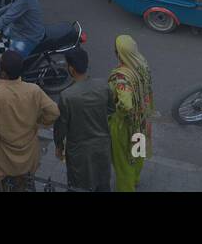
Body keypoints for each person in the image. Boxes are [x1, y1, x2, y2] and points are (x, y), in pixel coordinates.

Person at [0, 49, 59, 190]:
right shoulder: (34, 90)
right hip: (27, 159)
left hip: (0, 160)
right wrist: (38, 122)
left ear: (3, 73)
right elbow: (54, 112)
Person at [53, 47, 112, 191]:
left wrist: (59, 145)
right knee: (103, 182)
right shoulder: (103, 86)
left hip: (79, 152)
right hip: (102, 147)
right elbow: (111, 110)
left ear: (71, 69)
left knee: (78, 185)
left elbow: (61, 127)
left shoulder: (67, 96)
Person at [108, 35, 153, 192]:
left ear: (119, 53)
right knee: (137, 154)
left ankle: (126, 187)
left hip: (124, 127)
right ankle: (135, 179)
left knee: (123, 163)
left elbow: (125, 104)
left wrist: (117, 113)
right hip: (142, 121)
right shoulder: (142, 64)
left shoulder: (122, 77)